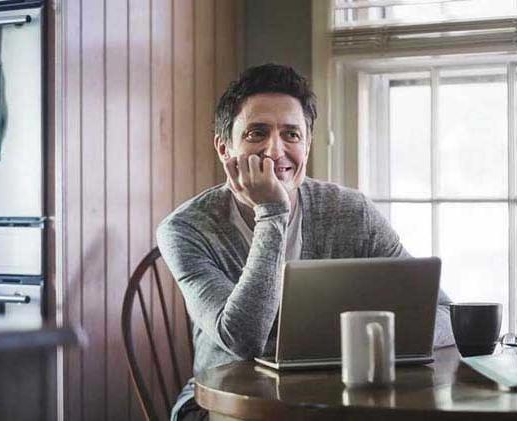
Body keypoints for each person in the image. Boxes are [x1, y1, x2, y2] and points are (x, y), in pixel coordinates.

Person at [157, 63, 455, 421]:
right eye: (256, 133)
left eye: (291, 135)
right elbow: (243, 341)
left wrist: (360, 343)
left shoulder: (350, 211)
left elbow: (443, 315)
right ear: (224, 148)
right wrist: (271, 213)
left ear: (308, 145)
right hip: (225, 405)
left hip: (332, 398)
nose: (275, 150)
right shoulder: (185, 229)